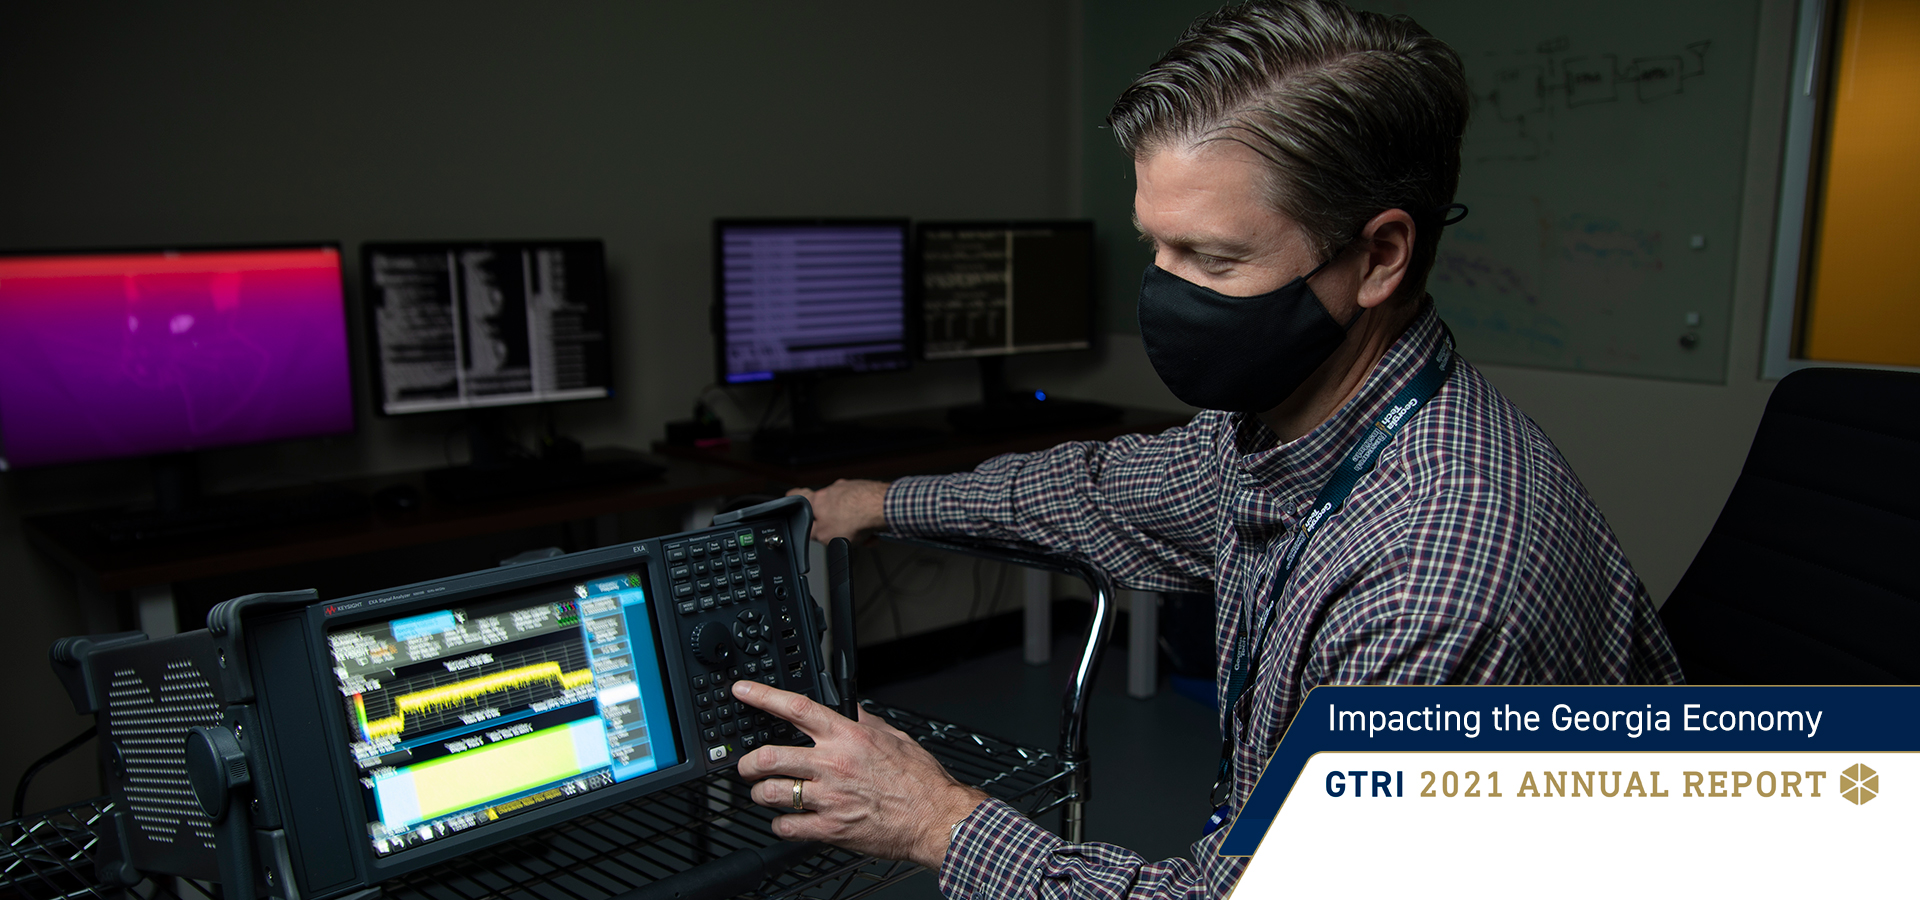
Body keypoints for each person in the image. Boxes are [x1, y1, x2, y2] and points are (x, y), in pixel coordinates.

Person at [728, 1, 1685, 896]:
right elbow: (1093, 492)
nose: (1164, 293)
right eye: (1156, 247)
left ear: (1379, 257)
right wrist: (876, 502)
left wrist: (937, 822)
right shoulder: (1298, 426)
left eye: (1213, 260)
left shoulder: (1430, 592)